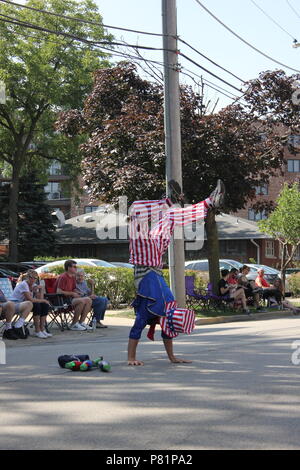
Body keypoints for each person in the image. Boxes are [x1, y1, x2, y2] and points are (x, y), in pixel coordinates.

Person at [128, 179, 226, 366]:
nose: (168, 322)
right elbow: (168, 330)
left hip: (144, 260)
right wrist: (172, 358)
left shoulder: (148, 312)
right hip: (153, 262)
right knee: (171, 217)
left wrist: (131, 358)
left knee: (135, 210)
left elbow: (137, 329)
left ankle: (172, 202)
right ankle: (207, 202)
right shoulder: (168, 308)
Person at [10, 270, 52, 339]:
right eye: (31, 277)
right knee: (37, 305)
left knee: (44, 305)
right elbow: (30, 299)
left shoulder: (33, 285)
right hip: (15, 304)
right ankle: (37, 330)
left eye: (35, 278)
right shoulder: (24, 284)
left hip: (26, 304)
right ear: (27, 277)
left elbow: (40, 299)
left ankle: (42, 329)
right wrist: (43, 300)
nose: (32, 279)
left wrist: (41, 289)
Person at [55, 260, 93, 331]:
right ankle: (73, 324)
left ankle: (81, 322)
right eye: (74, 267)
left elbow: (73, 289)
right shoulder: (63, 277)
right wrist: (72, 293)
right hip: (62, 301)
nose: (76, 268)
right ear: (69, 268)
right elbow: (59, 291)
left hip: (70, 299)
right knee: (81, 301)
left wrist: (78, 292)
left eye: (76, 266)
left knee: (88, 300)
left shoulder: (72, 277)